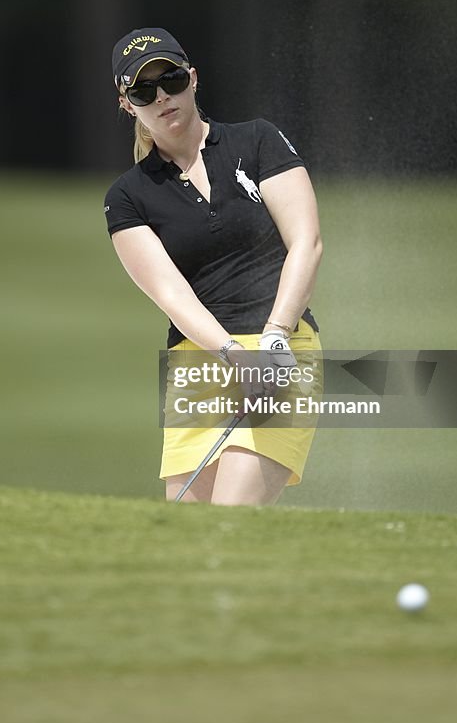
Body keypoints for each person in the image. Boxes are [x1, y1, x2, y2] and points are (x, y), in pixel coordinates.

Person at [104, 28, 323, 506]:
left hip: (279, 350)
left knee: (231, 521)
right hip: (198, 365)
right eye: (144, 90)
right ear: (127, 104)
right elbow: (171, 294)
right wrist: (232, 356)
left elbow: (306, 242)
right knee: (189, 544)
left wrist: (275, 337)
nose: (162, 96)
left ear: (193, 79)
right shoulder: (127, 197)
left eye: (172, 79)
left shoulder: (257, 140)